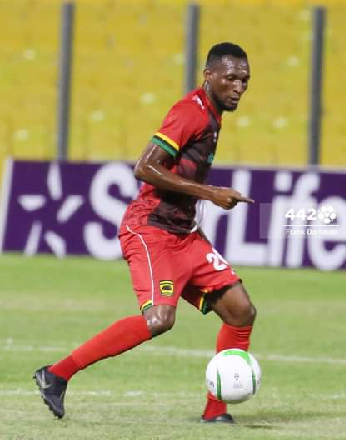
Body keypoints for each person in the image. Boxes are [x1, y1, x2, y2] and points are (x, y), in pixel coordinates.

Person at [34, 42, 256, 424]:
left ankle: (215, 411)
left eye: (245, 79)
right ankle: (56, 374)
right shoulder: (190, 113)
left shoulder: (214, 116)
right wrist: (211, 192)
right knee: (159, 320)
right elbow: (144, 167)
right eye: (231, 78)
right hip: (150, 230)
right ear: (209, 76)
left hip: (185, 235)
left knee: (240, 311)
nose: (239, 86)